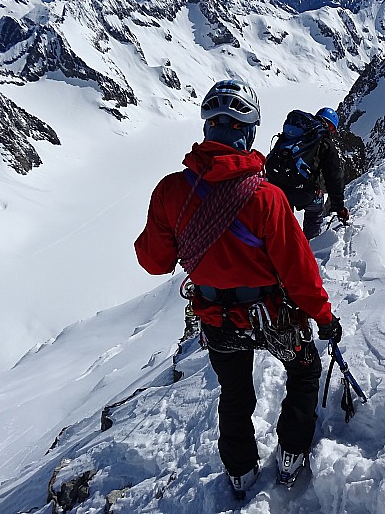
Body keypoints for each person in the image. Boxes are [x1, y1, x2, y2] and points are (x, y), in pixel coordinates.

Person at [134, 79, 343, 495]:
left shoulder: (171, 192)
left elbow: (154, 262)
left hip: (216, 318)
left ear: (207, 128)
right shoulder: (266, 197)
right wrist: (324, 317)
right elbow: (299, 272)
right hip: (272, 316)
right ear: (248, 133)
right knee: (304, 371)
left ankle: (240, 470)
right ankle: (291, 453)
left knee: (234, 392)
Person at [274, 107, 349, 240]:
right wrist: (339, 209)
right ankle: (311, 243)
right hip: (304, 192)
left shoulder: (297, 134)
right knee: (315, 209)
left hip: (278, 187)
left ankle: (281, 241)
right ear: (331, 127)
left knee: (282, 225)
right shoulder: (325, 143)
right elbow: (333, 179)